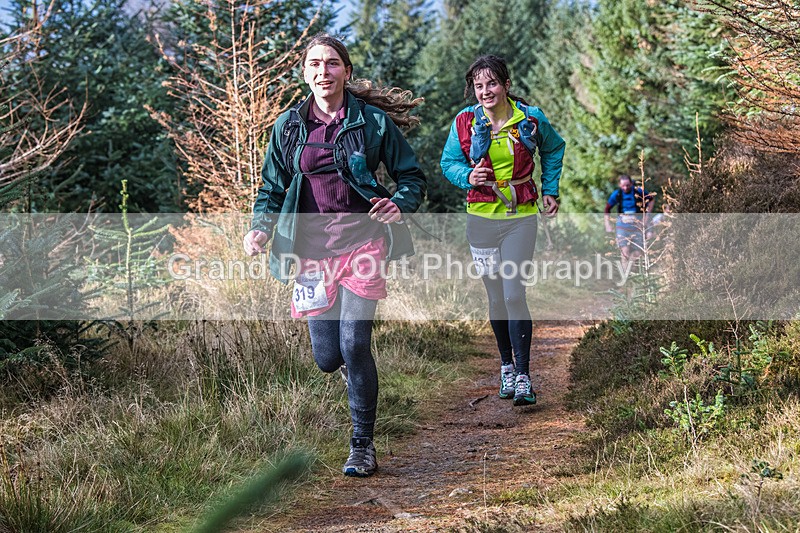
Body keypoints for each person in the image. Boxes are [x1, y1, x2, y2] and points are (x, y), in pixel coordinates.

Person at [243, 34, 426, 477]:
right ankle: (355, 379)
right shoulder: (289, 126)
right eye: (314, 65)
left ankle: (362, 443)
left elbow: (411, 177)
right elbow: (271, 186)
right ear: (305, 73)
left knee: (354, 344)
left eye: (331, 64)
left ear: (345, 70)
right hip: (310, 253)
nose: (322, 72)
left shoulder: (371, 123)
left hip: (364, 242)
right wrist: (260, 228)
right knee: (328, 357)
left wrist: (397, 203)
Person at [440, 55, 565, 406]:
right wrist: (467, 176)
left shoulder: (531, 118)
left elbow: (555, 148)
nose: (485, 91)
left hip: (520, 217)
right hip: (480, 219)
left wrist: (550, 189)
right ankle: (506, 366)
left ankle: (524, 375)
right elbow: (447, 163)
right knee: (495, 298)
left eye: (492, 83)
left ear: (506, 85)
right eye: (478, 86)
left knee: (513, 294)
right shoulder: (464, 122)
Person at [604, 174, 655, 269]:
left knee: (638, 251)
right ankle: (625, 276)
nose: (625, 187)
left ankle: (635, 272)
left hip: (637, 224)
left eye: (627, 185)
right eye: (623, 185)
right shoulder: (617, 194)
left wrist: (647, 215)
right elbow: (607, 209)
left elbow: (651, 199)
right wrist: (607, 224)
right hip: (622, 225)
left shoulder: (638, 191)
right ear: (620, 185)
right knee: (624, 251)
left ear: (631, 183)